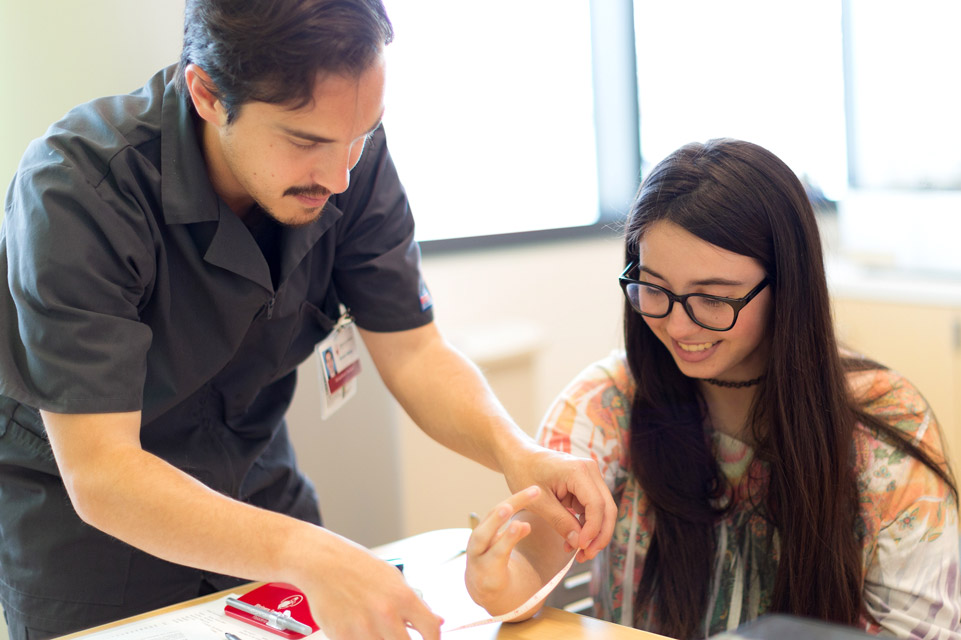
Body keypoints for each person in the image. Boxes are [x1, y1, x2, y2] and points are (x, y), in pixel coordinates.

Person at [0, 1, 616, 638]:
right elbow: (103, 473)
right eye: (307, 142)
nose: (342, 176)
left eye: (362, 135)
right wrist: (310, 553)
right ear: (208, 94)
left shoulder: (348, 158)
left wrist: (515, 452)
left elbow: (414, 351)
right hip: (92, 535)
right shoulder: (78, 189)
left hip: (258, 487)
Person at [464, 139, 960, 639]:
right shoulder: (606, 403)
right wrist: (503, 585)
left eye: (713, 299)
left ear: (787, 284)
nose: (679, 327)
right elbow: (538, 557)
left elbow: (920, 630)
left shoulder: (888, 425)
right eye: (654, 288)